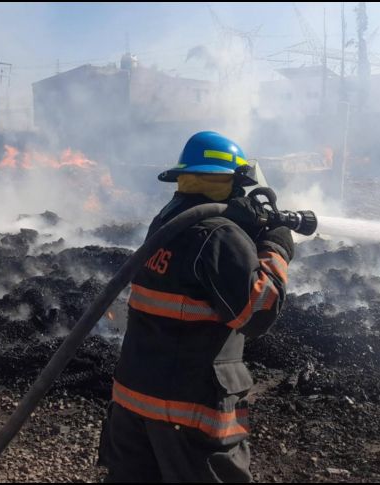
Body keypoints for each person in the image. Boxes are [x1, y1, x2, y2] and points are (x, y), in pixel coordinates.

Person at [98, 131, 294, 482]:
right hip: (188, 415)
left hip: (133, 403)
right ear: (232, 182)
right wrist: (276, 249)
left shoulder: (167, 223)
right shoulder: (219, 234)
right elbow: (259, 312)